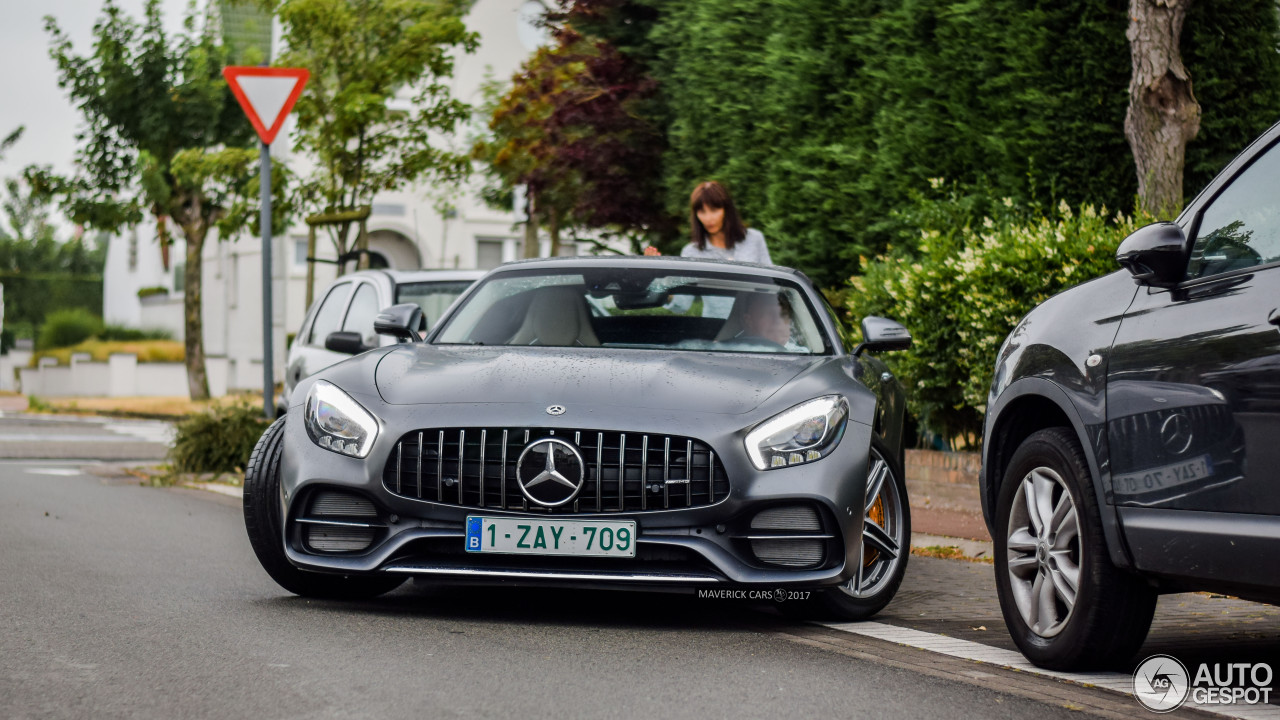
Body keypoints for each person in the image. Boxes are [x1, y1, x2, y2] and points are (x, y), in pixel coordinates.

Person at [644, 181, 772, 264]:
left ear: (727, 209)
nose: (708, 218)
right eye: (702, 212)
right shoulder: (691, 252)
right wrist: (655, 271)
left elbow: (772, 284)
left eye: (714, 210)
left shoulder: (754, 239)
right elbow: (681, 301)